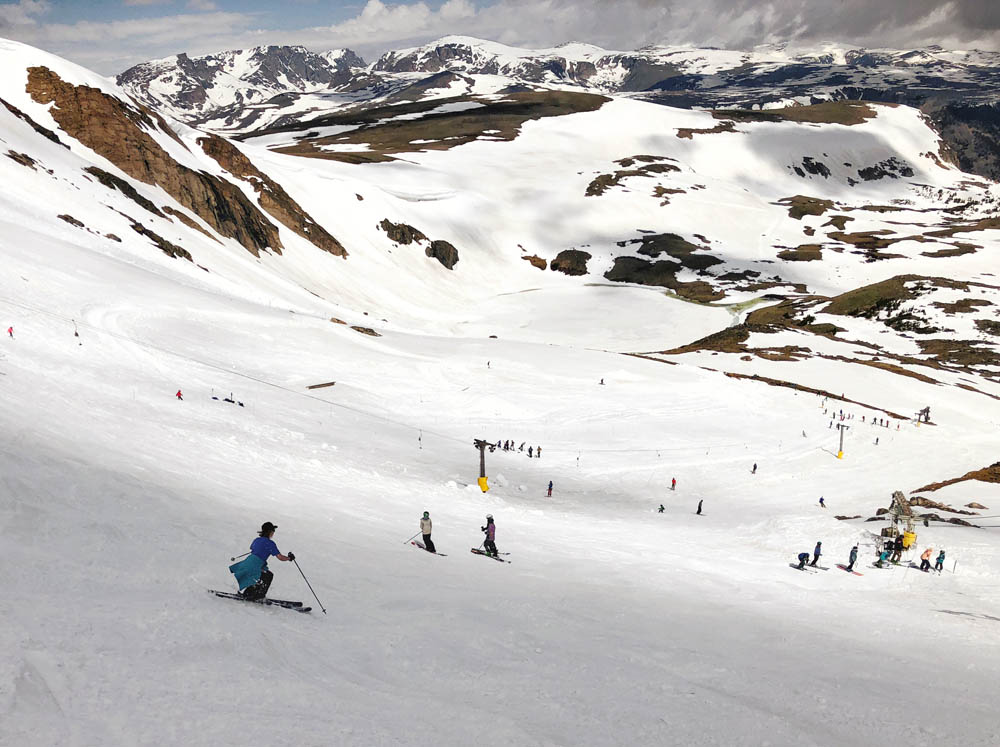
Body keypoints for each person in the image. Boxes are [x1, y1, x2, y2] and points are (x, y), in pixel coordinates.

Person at [229, 522, 293, 601]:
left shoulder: (257, 540)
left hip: (248, 561)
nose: (273, 533)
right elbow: (280, 557)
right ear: (270, 532)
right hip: (255, 564)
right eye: (273, 531)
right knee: (268, 576)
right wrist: (289, 558)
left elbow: (252, 548)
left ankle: (249, 593)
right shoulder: (270, 543)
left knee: (259, 577)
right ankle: (259, 596)